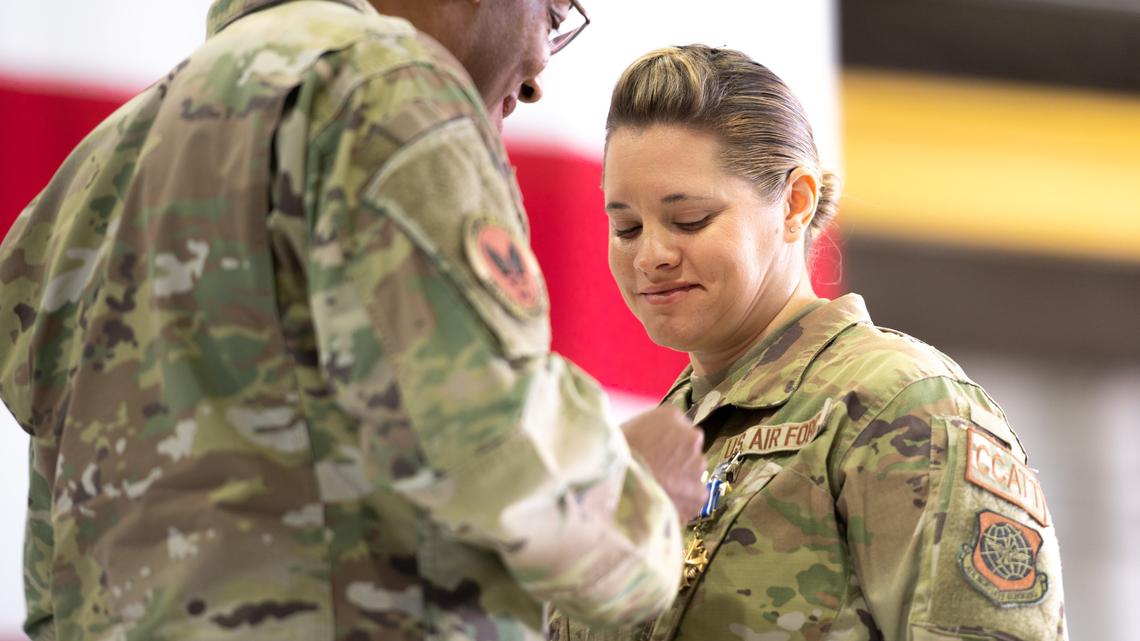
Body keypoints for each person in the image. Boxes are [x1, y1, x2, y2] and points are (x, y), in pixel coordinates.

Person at [0, 2, 711, 639]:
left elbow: (52, 565)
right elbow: (489, 453)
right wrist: (637, 492)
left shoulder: (107, 156)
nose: (536, 76)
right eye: (552, 15)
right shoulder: (380, 84)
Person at [551, 45, 1068, 641]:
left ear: (795, 204)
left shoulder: (898, 406)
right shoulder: (661, 441)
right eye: (627, 227)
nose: (652, 256)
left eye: (689, 219)